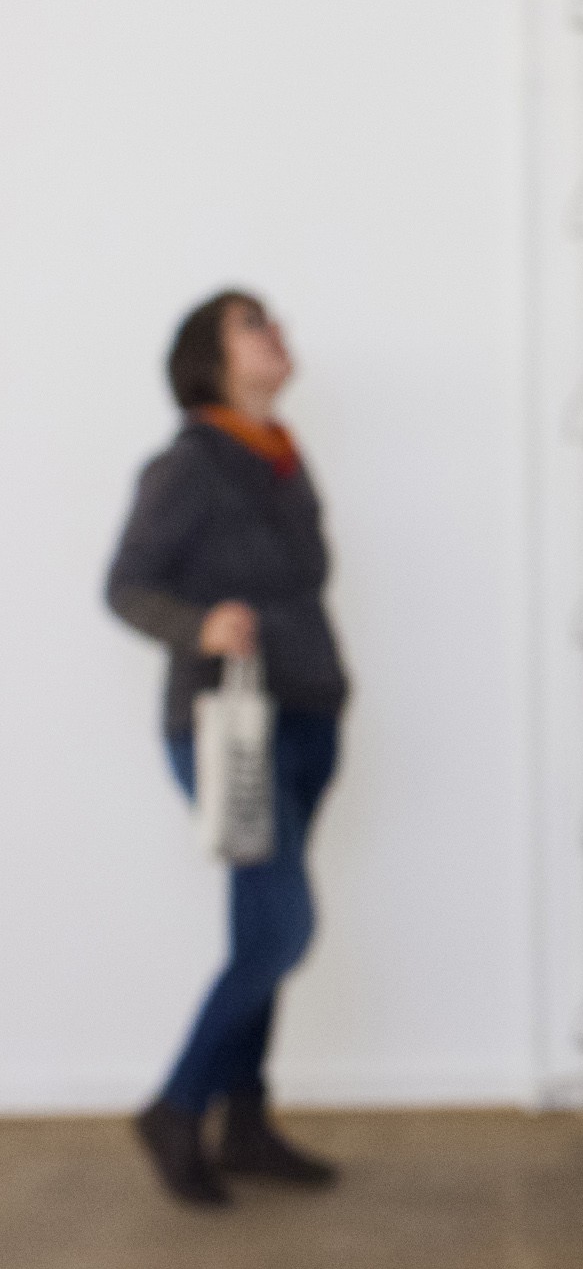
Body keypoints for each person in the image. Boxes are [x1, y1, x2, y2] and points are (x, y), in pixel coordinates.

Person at [105, 290, 348, 1208]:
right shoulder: (187, 465)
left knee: (258, 931)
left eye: (276, 320)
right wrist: (199, 624)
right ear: (209, 359)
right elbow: (126, 585)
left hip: (308, 710)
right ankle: (177, 1106)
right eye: (253, 324)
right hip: (227, 726)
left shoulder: (281, 453)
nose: (277, 333)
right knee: (284, 926)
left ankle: (244, 1121)